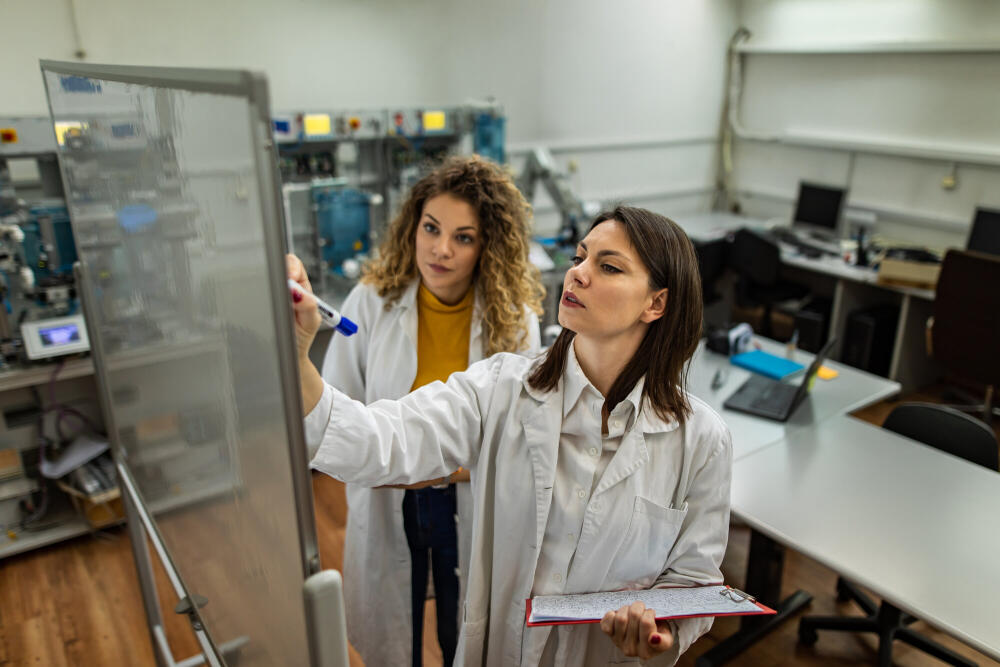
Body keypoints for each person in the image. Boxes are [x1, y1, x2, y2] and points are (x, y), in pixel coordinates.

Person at [290, 205, 732, 666]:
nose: (577, 274)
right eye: (580, 257)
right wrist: (298, 356)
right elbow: (382, 441)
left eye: (608, 267)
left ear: (655, 303)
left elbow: (694, 576)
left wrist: (661, 630)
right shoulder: (499, 389)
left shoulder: (702, 441)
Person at [300, 155, 543, 667]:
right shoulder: (371, 302)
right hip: (392, 496)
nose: (440, 249)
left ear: (488, 247)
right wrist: (385, 466)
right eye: (431, 228)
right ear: (413, 226)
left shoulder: (515, 321)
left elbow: (520, 436)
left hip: (468, 495)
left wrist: (441, 469)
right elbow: (337, 405)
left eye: (463, 237)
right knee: (395, 617)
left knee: (468, 621)